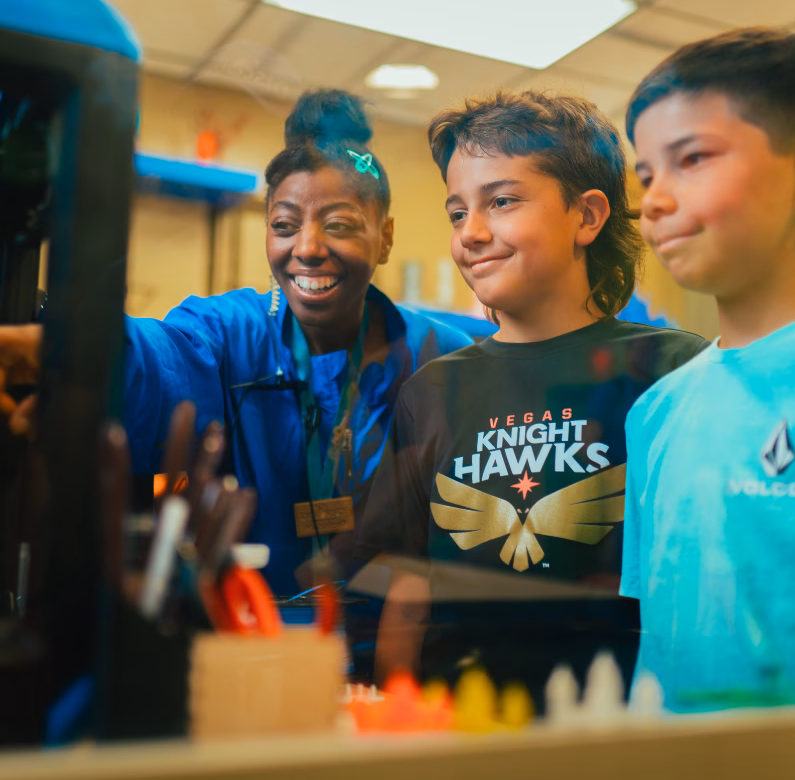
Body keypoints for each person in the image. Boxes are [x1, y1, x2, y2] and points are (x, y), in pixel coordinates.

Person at [0, 89, 472, 597]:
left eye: (339, 226)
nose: (307, 249)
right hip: (253, 644)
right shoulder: (229, 334)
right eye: (284, 226)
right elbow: (156, 361)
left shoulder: (443, 358)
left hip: (401, 652)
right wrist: (62, 353)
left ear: (386, 236)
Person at [356, 90, 707, 707]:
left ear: (588, 217)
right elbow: (408, 586)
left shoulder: (671, 369)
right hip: (459, 724)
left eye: (502, 201)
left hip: (615, 723)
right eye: (457, 213)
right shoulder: (432, 390)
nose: (473, 232)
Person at [620, 27, 795, 712]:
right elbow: (659, 643)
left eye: (692, 158)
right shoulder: (656, 411)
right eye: (646, 174)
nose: (656, 200)